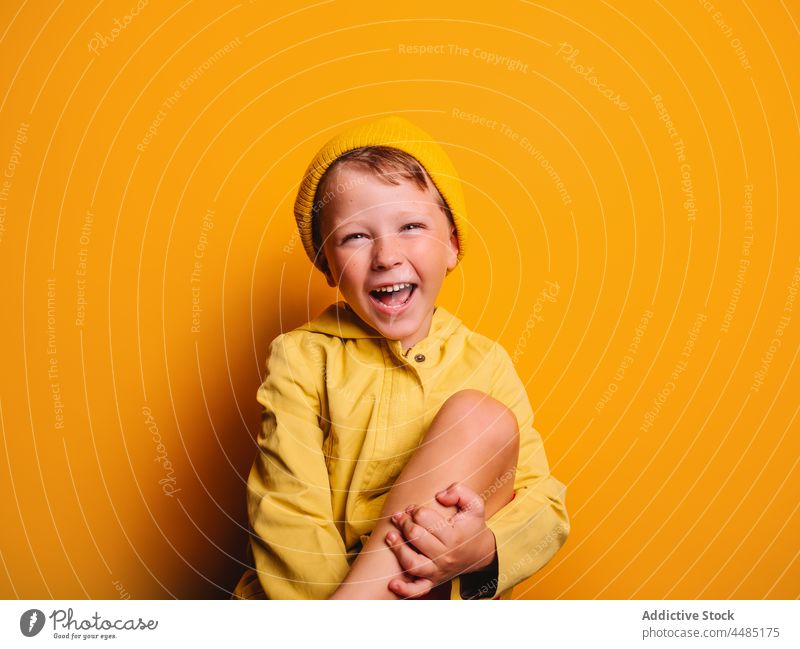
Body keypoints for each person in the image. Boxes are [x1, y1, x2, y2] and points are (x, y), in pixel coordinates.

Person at [233, 115, 569, 600]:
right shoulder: (303, 357)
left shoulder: (485, 362)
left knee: (479, 417)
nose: (387, 255)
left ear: (453, 245)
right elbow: (287, 510)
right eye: (355, 236)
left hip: (428, 593)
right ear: (327, 264)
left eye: (411, 225)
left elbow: (542, 504)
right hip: (319, 603)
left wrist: (481, 548)